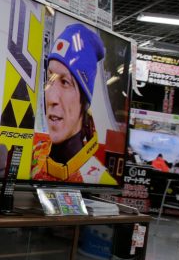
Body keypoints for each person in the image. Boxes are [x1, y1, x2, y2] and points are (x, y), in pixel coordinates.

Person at [31, 24, 117, 184]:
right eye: (50, 79)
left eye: (65, 82)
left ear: (84, 103)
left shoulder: (99, 181)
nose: (52, 97)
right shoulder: (34, 155)